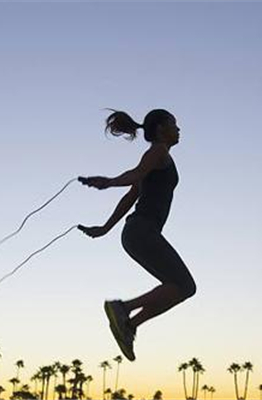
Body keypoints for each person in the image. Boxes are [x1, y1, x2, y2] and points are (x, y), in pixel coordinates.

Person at [78, 109, 197, 361]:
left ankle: (129, 324)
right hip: (142, 231)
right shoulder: (158, 151)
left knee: (180, 287)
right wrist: (109, 182)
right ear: (161, 128)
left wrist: (104, 228)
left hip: (136, 233)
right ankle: (123, 309)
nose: (179, 129)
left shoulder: (157, 158)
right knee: (185, 286)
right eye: (174, 124)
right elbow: (135, 176)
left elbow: (131, 195)